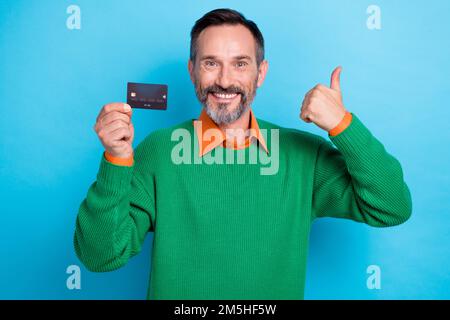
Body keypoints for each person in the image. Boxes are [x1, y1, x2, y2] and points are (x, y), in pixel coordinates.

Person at [73, 8, 412, 299]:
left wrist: (343, 125)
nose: (224, 80)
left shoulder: (302, 156)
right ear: (192, 72)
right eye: (210, 63)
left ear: (259, 73)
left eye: (239, 64)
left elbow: (391, 207)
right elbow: (100, 256)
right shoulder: (159, 151)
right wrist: (116, 159)